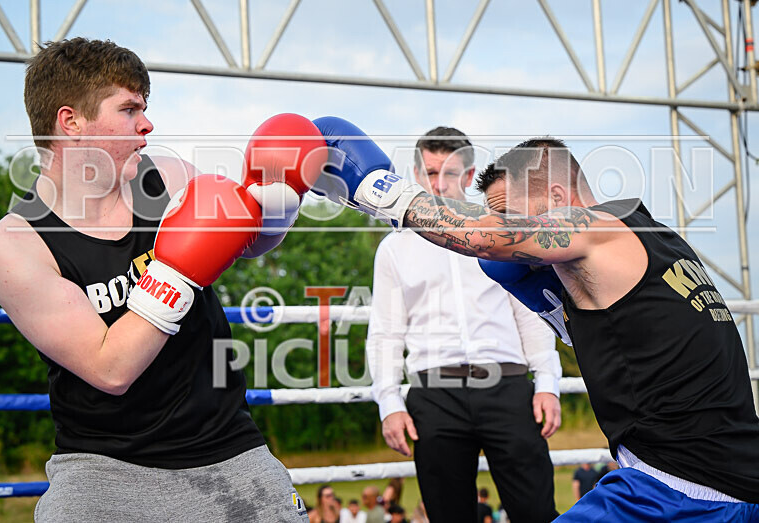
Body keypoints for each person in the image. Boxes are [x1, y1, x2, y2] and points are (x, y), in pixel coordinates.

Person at [312, 123, 759, 520]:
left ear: (559, 200)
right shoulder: (657, 239)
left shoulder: (594, 228)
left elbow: (484, 240)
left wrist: (374, 187)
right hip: (721, 479)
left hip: (679, 492)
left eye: (509, 214)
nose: (503, 225)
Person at [0, 38, 319, 521]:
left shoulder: (169, 177)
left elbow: (245, 240)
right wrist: (176, 271)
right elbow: (109, 369)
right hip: (102, 471)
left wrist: (278, 205)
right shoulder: (16, 245)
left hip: (228, 450)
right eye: (130, 108)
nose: (147, 124)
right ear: (70, 121)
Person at [365, 127, 561, 522]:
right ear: (417, 174)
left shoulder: (501, 230)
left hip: (507, 384)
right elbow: (386, 331)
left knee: (536, 512)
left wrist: (548, 383)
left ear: (469, 176)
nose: (438, 184)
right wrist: (388, 403)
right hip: (433, 392)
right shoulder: (394, 247)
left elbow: (529, 310)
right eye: (430, 172)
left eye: (449, 173)